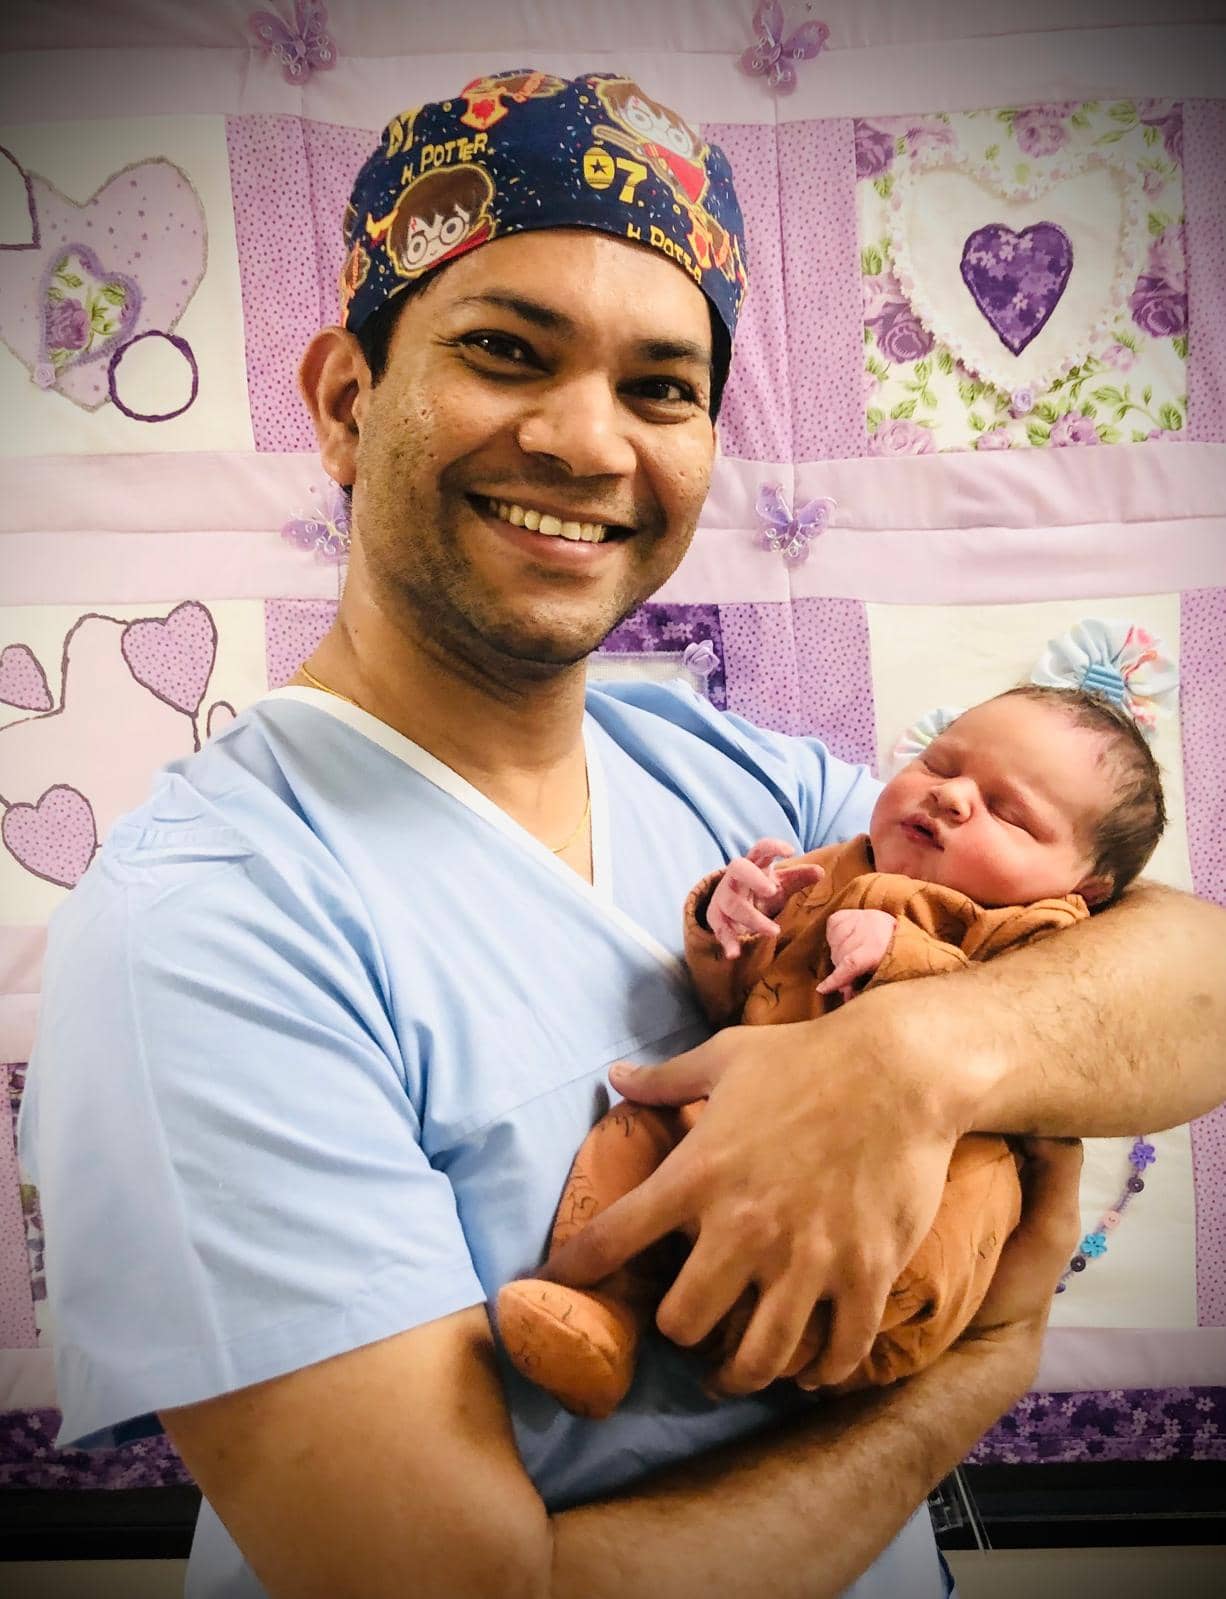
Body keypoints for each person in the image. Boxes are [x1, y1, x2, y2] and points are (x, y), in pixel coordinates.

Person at [16, 71, 1226, 1599]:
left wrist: (909, 1061)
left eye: (661, 388)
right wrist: (965, 1378)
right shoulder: (211, 923)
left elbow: (1193, 972)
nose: (589, 445)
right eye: (506, 351)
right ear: (344, 401)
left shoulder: (727, 776)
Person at [499, 682, 1166, 1418]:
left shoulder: (1042, 933)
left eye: (1010, 812)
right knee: (636, 1124)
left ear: (1087, 888)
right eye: (941, 763)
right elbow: (737, 1011)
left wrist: (906, 955)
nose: (950, 797)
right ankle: (605, 1316)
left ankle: (815, 1340)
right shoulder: (834, 866)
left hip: (910, 1229)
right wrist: (730, 926)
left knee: (954, 1220)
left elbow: (1041, 1022)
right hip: (730, 1153)